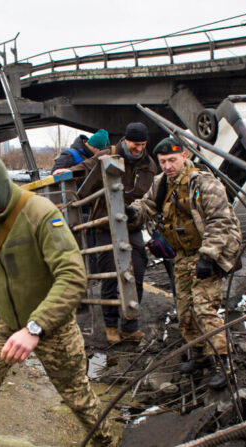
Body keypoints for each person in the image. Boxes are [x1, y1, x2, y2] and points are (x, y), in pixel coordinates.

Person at [0, 152, 116, 447]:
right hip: (1, 318)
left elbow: (73, 276)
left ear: (0, 186)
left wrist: (35, 327)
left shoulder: (39, 213)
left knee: (77, 397)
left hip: (51, 323)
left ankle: (106, 442)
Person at [127, 137, 242, 389]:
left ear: (184, 156)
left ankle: (223, 363)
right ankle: (198, 354)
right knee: (185, 309)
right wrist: (133, 212)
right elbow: (147, 204)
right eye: (162, 162)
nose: (167, 166)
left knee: (203, 309)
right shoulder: (162, 183)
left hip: (207, 254)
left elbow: (220, 220)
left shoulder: (203, 183)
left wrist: (208, 255)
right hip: (182, 255)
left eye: (172, 160)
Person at [70, 122, 158, 344]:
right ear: (125, 140)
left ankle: (130, 326)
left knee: (136, 271)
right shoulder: (108, 154)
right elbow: (86, 169)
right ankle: (110, 326)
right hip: (105, 223)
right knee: (111, 274)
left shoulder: (149, 165)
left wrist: (138, 212)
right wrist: (67, 173)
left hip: (131, 223)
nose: (138, 149)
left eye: (142, 144)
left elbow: (150, 195)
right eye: (135, 144)